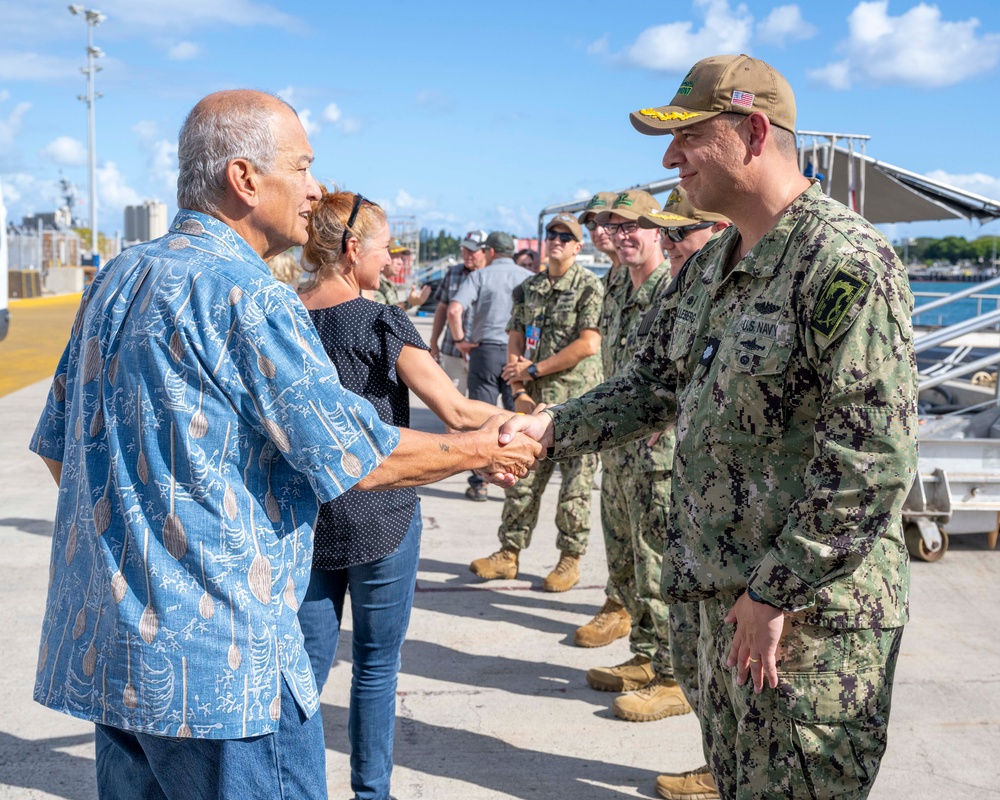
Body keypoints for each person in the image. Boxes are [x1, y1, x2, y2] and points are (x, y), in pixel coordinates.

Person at [28, 90, 540, 800]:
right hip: (222, 680)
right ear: (244, 179)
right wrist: (490, 447)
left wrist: (149, 547)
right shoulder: (246, 294)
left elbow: (61, 447)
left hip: (116, 659)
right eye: (302, 167)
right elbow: (362, 458)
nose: (316, 188)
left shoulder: (117, 278)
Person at [499, 54, 917, 800]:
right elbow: (654, 386)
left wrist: (775, 592)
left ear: (754, 133)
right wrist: (550, 429)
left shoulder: (844, 262)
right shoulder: (711, 262)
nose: (668, 158)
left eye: (688, 136)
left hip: (807, 626)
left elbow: (872, 460)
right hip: (721, 610)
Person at [296, 190, 524, 800]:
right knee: (375, 667)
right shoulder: (380, 320)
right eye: (384, 248)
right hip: (382, 513)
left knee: (301, 672)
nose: (393, 260)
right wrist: (521, 425)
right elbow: (451, 407)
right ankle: (372, 794)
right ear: (351, 249)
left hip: (309, 516)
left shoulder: (286, 314)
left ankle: (292, 787)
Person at [469, 214, 602, 591]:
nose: (556, 240)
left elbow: (588, 344)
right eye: (551, 234)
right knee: (522, 481)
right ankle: (508, 552)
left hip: (579, 405)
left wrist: (536, 367)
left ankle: (569, 559)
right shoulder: (530, 288)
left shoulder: (589, 286)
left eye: (566, 236)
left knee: (575, 488)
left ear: (578, 246)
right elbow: (515, 336)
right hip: (534, 402)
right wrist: (519, 389)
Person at [448, 231, 534, 501]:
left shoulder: (480, 275)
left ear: (492, 252)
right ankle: (515, 477)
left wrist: (460, 340)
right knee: (517, 418)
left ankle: (480, 482)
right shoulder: (528, 278)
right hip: (517, 356)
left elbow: (454, 309)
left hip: (484, 351)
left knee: (482, 421)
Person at [428, 230, 487, 396]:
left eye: (472, 251)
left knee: (480, 404)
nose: (467, 255)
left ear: (485, 251)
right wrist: (434, 342)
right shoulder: (453, 273)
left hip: (480, 352)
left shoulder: (491, 276)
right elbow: (442, 309)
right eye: (464, 250)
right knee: (452, 402)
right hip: (452, 350)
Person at [370, 240, 430, 310]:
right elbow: (381, 315)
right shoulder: (374, 283)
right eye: (396, 257)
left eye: (402, 258)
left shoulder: (386, 283)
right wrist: (409, 303)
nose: (400, 262)